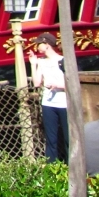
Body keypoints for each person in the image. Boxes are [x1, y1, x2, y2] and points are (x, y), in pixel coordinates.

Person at [29, 32, 68, 162]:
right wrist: (33, 64)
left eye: (39, 44)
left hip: (64, 103)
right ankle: (51, 169)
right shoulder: (41, 62)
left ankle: (71, 167)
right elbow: (36, 83)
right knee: (51, 139)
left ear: (47, 45)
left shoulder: (63, 60)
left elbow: (72, 84)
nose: (37, 46)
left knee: (68, 137)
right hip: (48, 103)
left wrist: (58, 85)